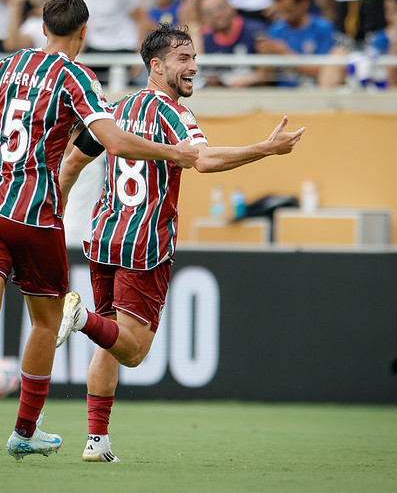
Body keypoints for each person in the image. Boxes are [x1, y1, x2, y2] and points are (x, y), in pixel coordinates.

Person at [0, 0, 199, 461]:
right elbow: (115, 142)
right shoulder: (78, 77)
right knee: (45, 322)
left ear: (42, 28)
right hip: (33, 216)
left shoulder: (8, 65)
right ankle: (23, 431)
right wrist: (174, 152)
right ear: (84, 32)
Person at [55, 23, 305, 463]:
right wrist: (265, 149)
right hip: (144, 242)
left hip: (102, 237)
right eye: (183, 59)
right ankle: (78, 318)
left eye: (194, 58)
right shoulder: (172, 113)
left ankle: (97, 440)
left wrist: (54, 208)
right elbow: (203, 160)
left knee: (110, 342)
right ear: (157, 66)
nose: (193, 67)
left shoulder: (115, 108)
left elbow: (73, 161)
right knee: (132, 351)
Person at [256, 0, 344, 88]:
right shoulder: (275, 30)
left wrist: (284, 52)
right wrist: (265, 59)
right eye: (281, 12)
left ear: (303, 3)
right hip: (282, 95)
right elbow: (266, 80)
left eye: (289, 11)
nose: (285, 17)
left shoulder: (323, 28)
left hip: (315, 92)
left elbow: (325, 70)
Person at [197, 0, 268, 87]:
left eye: (221, 7)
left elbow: (269, 72)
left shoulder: (256, 31)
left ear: (231, 6)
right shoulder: (205, 40)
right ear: (203, 18)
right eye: (209, 12)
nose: (217, 14)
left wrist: (250, 79)